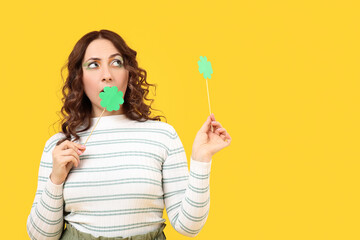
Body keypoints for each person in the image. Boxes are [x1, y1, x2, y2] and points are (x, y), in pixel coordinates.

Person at [26, 29, 232, 240]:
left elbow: (188, 227)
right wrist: (56, 179)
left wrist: (201, 160)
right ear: (80, 78)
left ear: (128, 73)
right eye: (93, 65)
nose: (107, 75)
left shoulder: (162, 136)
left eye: (116, 63)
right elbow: (40, 237)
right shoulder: (60, 147)